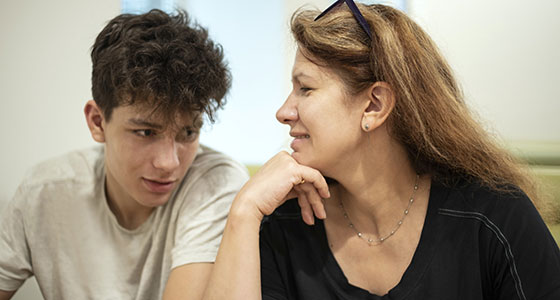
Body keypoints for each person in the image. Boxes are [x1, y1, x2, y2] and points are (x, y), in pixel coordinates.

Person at [203, 1, 560, 299]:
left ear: (374, 105)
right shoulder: (285, 225)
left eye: (305, 89)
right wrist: (244, 212)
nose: (283, 112)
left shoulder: (494, 219)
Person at [0, 9, 248, 300]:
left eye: (188, 133)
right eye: (146, 132)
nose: (169, 163)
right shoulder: (45, 191)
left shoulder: (215, 184)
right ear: (97, 121)